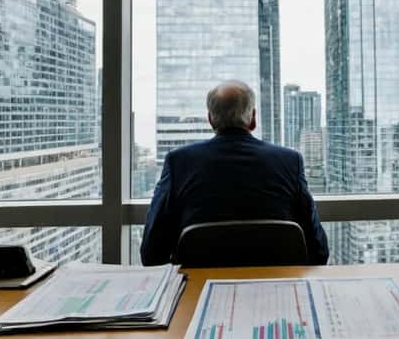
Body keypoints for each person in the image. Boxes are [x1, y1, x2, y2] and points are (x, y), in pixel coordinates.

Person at [140, 80, 329, 266]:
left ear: (211, 119)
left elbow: (151, 253)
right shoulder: (290, 161)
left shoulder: (179, 163)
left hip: (197, 284)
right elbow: (318, 250)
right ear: (253, 118)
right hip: (276, 282)